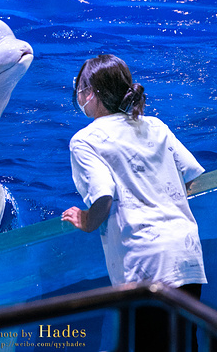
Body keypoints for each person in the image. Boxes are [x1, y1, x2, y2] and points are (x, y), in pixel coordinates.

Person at [61, 55, 206, 350]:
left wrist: (87, 221)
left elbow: (102, 195)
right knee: (186, 341)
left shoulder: (85, 140)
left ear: (89, 94)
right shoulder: (154, 125)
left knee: (150, 344)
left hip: (146, 264)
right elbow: (191, 173)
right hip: (185, 252)